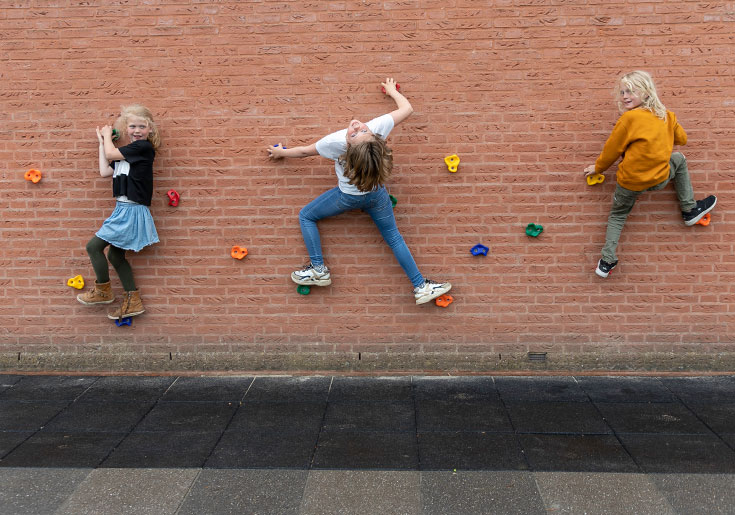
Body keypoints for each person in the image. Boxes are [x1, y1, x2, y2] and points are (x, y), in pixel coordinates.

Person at [267, 78, 451, 304]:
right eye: (358, 130)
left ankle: (318, 270)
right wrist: (392, 91)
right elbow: (407, 109)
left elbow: (305, 152)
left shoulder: (334, 143)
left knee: (306, 216)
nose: (356, 125)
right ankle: (420, 286)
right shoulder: (376, 131)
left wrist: (281, 153)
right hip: (377, 196)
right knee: (394, 238)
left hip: (348, 198)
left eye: (357, 131)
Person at [584, 70, 716, 278]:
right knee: (679, 158)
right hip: (659, 179)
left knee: (618, 216)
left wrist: (598, 168)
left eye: (631, 91)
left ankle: (606, 261)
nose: (625, 96)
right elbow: (682, 139)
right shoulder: (666, 115)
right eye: (623, 92)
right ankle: (689, 209)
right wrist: (668, 120)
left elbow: (612, 150)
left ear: (646, 93)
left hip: (630, 183)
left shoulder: (629, 119)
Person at [77, 105, 161, 319]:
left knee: (93, 247)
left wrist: (107, 137)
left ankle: (103, 290)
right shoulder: (126, 156)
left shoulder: (143, 148)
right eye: (132, 126)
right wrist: (101, 143)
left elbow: (111, 153)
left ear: (150, 129)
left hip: (131, 210)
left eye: (141, 126)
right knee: (115, 255)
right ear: (126, 128)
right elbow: (105, 170)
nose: (136, 130)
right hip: (123, 209)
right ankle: (133, 300)